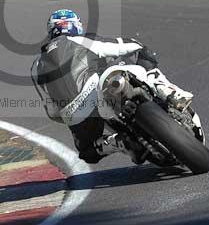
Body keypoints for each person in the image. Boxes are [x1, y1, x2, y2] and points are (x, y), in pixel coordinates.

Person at [32, 9, 191, 165]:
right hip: (96, 90)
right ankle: (170, 92)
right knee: (140, 53)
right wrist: (138, 49)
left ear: (51, 31)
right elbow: (127, 45)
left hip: (73, 113)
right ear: (76, 26)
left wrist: (71, 117)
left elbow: (52, 111)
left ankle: (116, 142)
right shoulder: (81, 40)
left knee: (87, 152)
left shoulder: (36, 66)